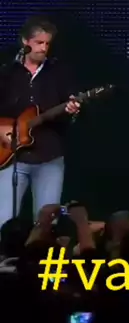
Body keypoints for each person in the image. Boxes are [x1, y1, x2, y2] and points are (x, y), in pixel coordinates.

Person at [0, 17, 81, 227]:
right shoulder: (7, 72)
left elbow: (69, 105)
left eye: (47, 43)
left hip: (49, 157)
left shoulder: (59, 72)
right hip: (11, 156)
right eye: (39, 43)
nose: (43, 48)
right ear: (25, 42)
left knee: (46, 222)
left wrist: (72, 110)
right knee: (4, 219)